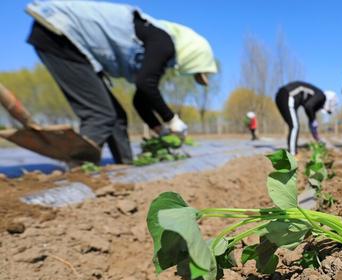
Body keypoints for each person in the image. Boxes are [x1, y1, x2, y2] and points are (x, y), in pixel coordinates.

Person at [25, 1, 218, 164]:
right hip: (60, 34)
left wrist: (160, 131)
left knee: (117, 117)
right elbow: (145, 84)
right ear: (191, 56)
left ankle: (124, 166)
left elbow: (140, 100)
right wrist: (172, 120)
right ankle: (79, 171)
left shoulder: (156, 38)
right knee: (100, 115)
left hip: (68, 40)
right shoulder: (163, 42)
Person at [275, 82, 336, 156]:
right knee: (294, 126)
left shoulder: (315, 95)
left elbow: (309, 109)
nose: (321, 108)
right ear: (328, 102)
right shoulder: (321, 95)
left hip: (281, 95)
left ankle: (291, 152)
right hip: (287, 95)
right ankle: (292, 154)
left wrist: (313, 126)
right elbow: (308, 106)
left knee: (293, 126)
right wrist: (313, 119)